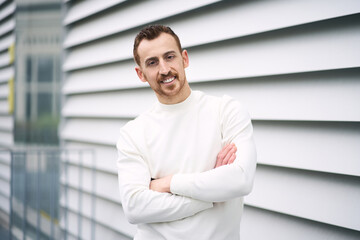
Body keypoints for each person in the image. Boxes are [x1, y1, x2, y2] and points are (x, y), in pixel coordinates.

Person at [116, 25, 257, 240]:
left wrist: (167, 183)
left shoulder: (225, 111)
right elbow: (135, 207)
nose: (164, 70)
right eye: (152, 62)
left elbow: (241, 179)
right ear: (141, 74)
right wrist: (212, 194)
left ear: (184, 59)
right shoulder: (133, 133)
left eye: (169, 57)